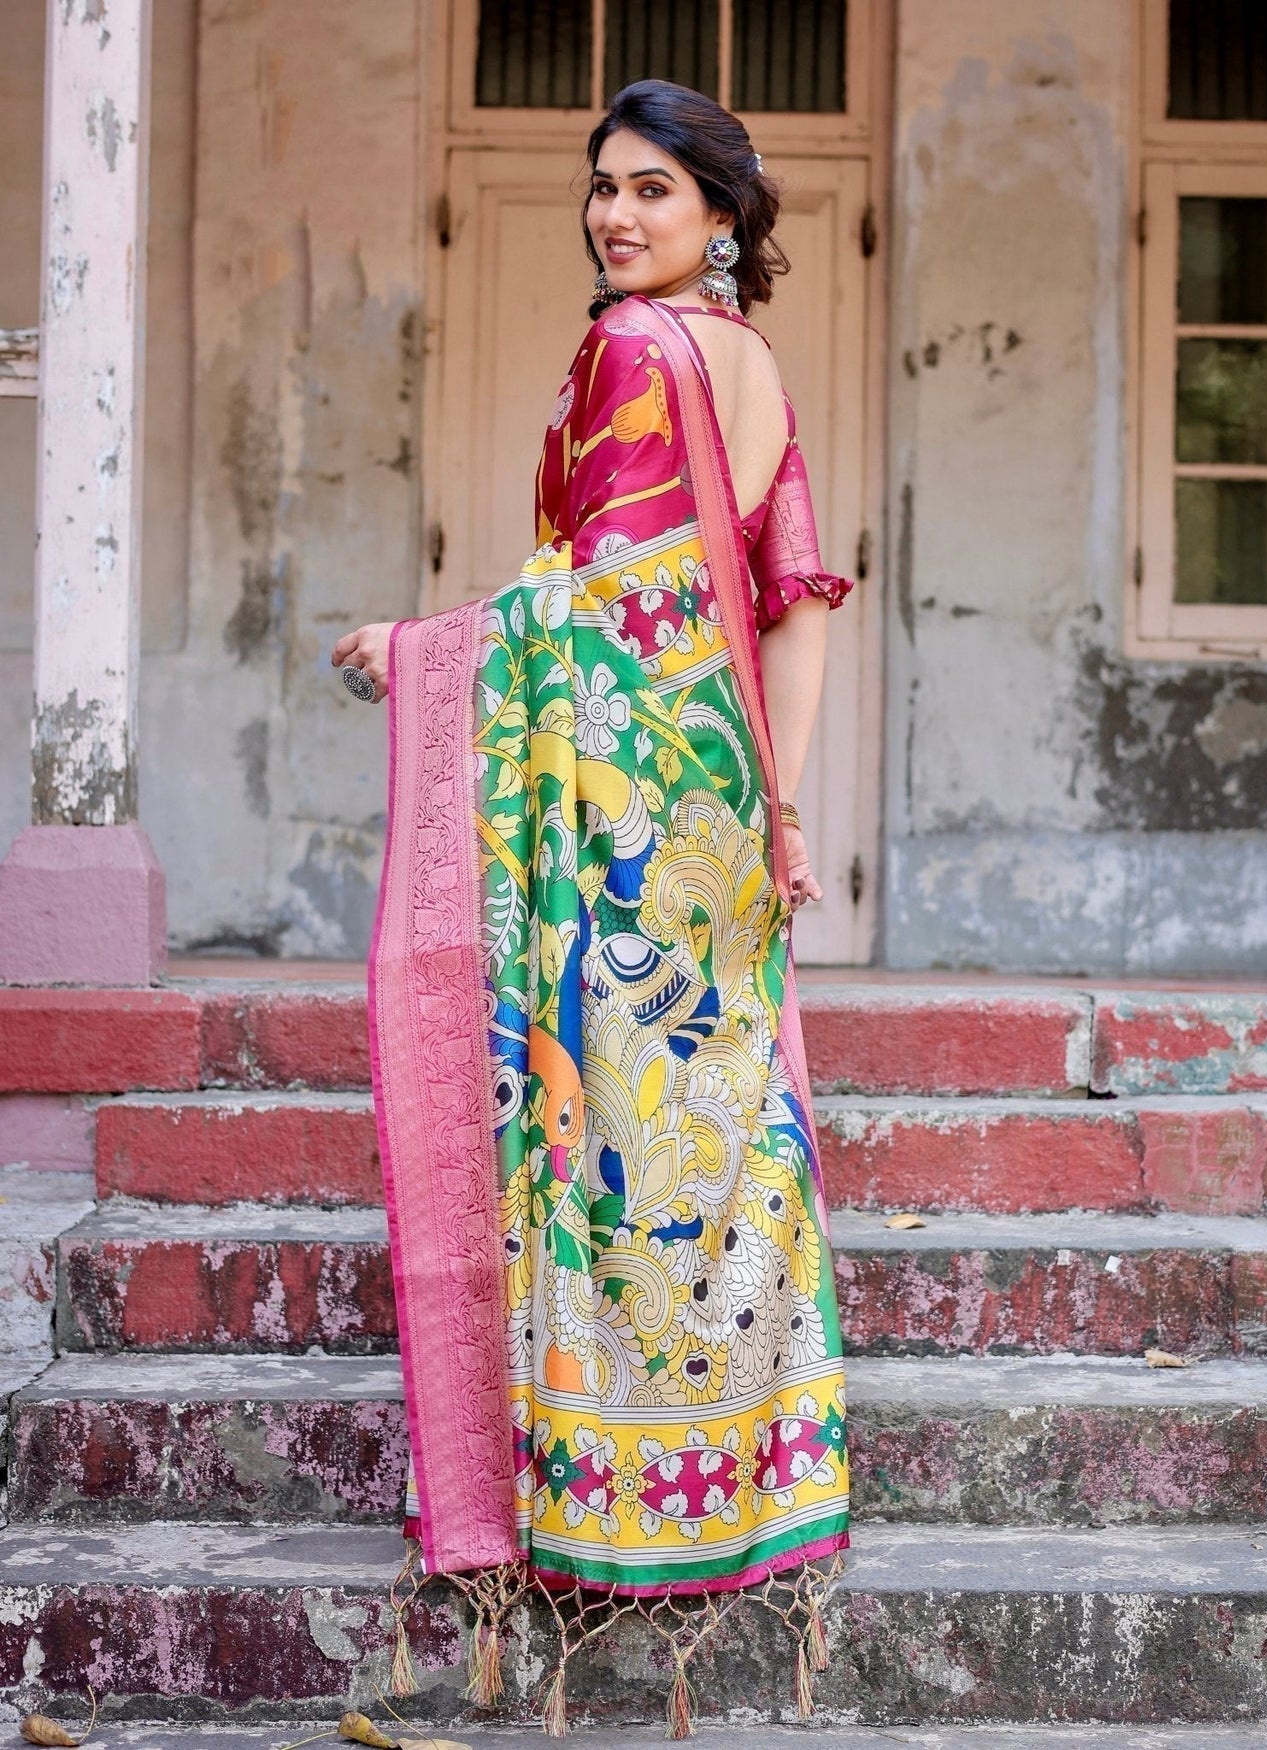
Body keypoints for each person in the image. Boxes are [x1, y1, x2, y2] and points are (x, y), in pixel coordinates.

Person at [332, 77, 856, 1739]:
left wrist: (423, 651)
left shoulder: (634, 355)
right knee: (708, 1113)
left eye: (652, 191)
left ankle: (613, 1495)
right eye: (602, 190)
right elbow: (797, 604)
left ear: (721, 212)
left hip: (625, 794)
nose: (615, 217)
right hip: (710, 783)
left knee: (603, 1118)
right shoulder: (759, 366)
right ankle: (741, 1467)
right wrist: (778, 809)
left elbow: (605, 585)